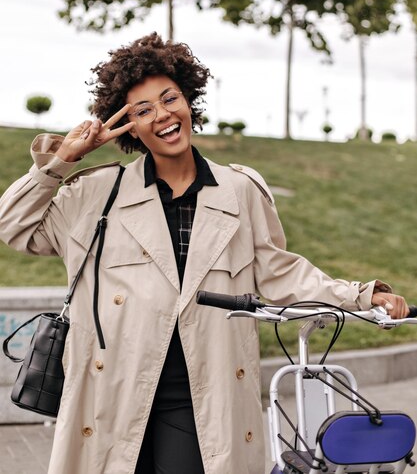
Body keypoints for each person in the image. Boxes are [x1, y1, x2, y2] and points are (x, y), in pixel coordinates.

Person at [0, 32, 408, 474]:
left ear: (189, 99)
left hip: (201, 395)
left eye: (169, 98)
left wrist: (361, 296)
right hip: (110, 395)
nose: (162, 116)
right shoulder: (96, 192)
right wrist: (62, 159)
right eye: (142, 110)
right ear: (128, 126)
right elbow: (15, 227)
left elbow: (279, 272)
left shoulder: (239, 190)